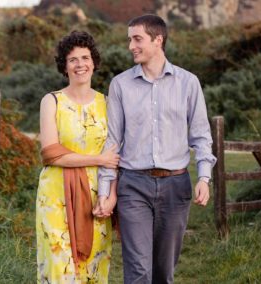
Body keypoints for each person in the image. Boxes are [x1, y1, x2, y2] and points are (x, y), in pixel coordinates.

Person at [97, 14, 217, 283]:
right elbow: (112, 142)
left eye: (137, 39)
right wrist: (106, 191)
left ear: (158, 40)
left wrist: (205, 178)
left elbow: (201, 135)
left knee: (163, 273)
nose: (131, 46)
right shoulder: (120, 85)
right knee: (139, 270)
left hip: (176, 186)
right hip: (133, 186)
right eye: (129, 39)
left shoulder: (188, 83)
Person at [36, 31, 119, 283]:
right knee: (60, 265)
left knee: (94, 265)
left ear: (94, 62)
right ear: (64, 65)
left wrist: (112, 196)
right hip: (56, 194)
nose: (80, 64)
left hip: (99, 193)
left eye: (85, 57)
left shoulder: (108, 104)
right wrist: (98, 159)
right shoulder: (52, 101)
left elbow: (115, 158)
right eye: (72, 59)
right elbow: (51, 153)